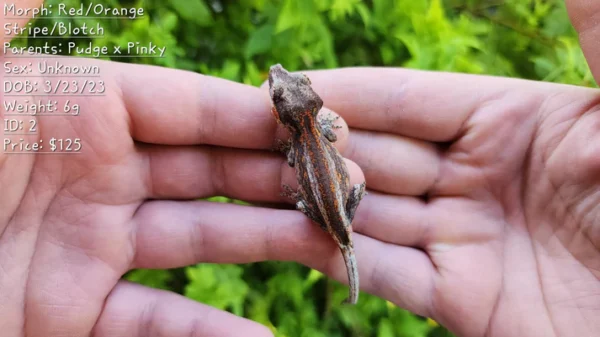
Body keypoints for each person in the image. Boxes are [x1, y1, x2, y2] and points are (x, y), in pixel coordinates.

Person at [1, 1, 598, 336]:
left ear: (291, 111)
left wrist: (317, 201)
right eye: (283, 87)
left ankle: (338, 227)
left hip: (328, 212)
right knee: (336, 188)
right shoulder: (314, 129)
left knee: (328, 196)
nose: (280, 82)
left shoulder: (301, 136)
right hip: (334, 202)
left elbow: (311, 166)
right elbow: (316, 153)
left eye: (286, 87)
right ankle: (340, 225)